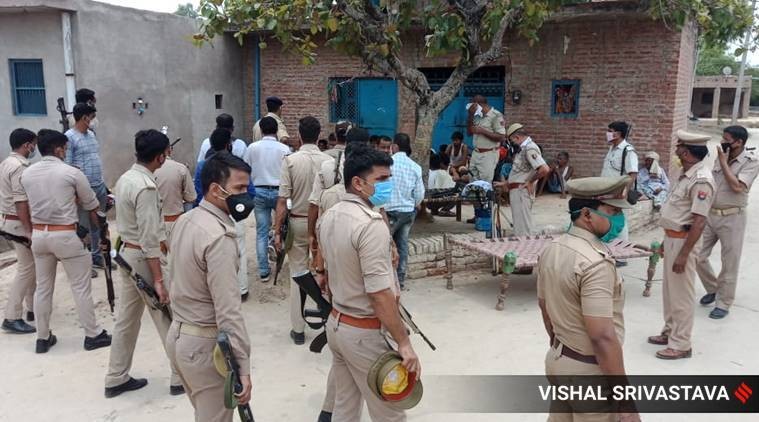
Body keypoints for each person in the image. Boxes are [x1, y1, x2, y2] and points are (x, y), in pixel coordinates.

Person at [318, 147, 420, 422]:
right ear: (358, 183)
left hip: (338, 323)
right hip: (364, 333)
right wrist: (403, 342)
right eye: (382, 179)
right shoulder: (370, 225)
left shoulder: (331, 215)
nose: (388, 185)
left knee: (345, 406)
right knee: (390, 413)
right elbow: (379, 294)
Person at [537, 176, 639, 422]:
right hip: (588, 376)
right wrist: (626, 402)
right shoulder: (595, 263)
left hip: (558, 361)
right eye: (613, 212)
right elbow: (602, 337)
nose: (619, 220)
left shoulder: (553, 248)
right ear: (587, 214)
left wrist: (562, 345)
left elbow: (544, 306)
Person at [166, 152, 253, 422]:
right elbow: (228, 310)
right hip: (205, 346)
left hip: (179, 336)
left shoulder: (185, 220)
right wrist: (243, 365)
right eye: (239, 188)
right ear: (216, 190)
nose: (246, 196)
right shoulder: (219, 237)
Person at [104, 129, 184, 398]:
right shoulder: (146, 187)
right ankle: (180, 376)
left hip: (128, 254)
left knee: (126, 320)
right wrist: (159, 279)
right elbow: (150, 237)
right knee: (166, 316)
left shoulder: (126, 178)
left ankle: (116, 376)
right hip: (143, 257)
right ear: (161, 156)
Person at [21, 129, 112, 353]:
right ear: (58, 149)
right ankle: (93, 334)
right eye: (65, 148)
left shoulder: (27, 174)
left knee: (43, 288)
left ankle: (42, 338)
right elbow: (93, 207)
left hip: (39, 235)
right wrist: (103, 234)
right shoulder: (71, 173)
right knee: (80, 287)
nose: (66, 151)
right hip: (65, 234)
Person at [647, 130, 715, 360]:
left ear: (686, 152)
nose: (675, 150)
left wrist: (684, 255)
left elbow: (699, 221)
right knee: (670, 292)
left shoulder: (701, 180)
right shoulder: (686, 174)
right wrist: (665, 243)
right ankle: (669, 332)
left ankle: (681, 344)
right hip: (673, 238)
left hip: (684, 242)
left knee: (682, 295)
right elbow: (677, 212)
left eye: (678, 147)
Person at [273, 116, 331, 345]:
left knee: (298, 274)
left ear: (298, 135)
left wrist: (277, 231)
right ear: (319, 135)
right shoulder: (329, 161)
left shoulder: (290, 161)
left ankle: (298, 329)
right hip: (323, 224)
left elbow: (282, 200)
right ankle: (329, 321)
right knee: (325, 271)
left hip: (297, 221)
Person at [697, 125, 759, 319]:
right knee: (697, 254)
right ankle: (713, 288)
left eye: (727, 140)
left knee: (729, 262)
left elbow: (737, 186)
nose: (722, 143)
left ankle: (723, 302)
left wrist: (723, 162)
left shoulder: (751, 161)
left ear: (739, 142)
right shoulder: (722, 156)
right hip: (710, 214)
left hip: (733, 217)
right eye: (722, 139)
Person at [197, 128, 255, 298]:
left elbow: (197, 192)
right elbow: (250, 192)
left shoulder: (202, 166)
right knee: (239, 250)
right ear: (229, 144)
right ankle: (241, 289)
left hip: (207, 213)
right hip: (234, 213)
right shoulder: (236, 168)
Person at [244, 116, 291, 283]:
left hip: (259, 191)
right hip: (280, 193)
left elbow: (245, 169)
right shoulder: (284, 149)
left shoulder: (252, 148)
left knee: (261, 232)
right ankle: (279, 258)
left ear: (261, 130)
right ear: (276, 130)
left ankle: (264, 271)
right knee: (282, 229)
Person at [65, 103, 109, 276]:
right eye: (91, 117)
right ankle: (84, 264)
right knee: (83, 228)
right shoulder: (69, 137)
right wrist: (75, 192)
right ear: (84, 118)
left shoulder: (91, 135)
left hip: (98, 186)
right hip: (83, 189)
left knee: (98, 225)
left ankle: (97, 257)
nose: (93, 120)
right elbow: (67, 166)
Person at [1, 128, 38, 334]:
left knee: (31, 266)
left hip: (10, 221)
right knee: (27, 269)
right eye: (33, 144)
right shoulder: (19, 167)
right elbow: (21, 201)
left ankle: (31, 308)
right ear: (26, 145)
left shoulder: (7, 163)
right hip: (18, 223)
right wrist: (28, 230)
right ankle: (12, 316)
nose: (34, 148)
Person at [495, 123, 549, 235]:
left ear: (517, 137)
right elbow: (521, 172)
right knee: (519, 224)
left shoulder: (529, 148)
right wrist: (506, 183)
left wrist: (530, 182)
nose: (512, 143)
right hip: (517, 191)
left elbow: (544, 169)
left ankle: (524, 245)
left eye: (512, 140)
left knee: (522, 227)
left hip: (521, 192)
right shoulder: (523, 149)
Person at [386, 133, 425, 289]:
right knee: (402, 245)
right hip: (407, 211)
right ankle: (400, 280)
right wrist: (415, 204)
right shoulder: (415, 167)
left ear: (394, 146)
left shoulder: (387, 164)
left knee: (385, 244)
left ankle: (386, 280)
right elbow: (419, 194)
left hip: (388, 211)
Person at [601, 121, 638, 242]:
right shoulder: (612, 149)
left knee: (618, 218)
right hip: (606, 190)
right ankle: (609, 244)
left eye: (610, 131)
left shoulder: (628, 151)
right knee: (607, 216)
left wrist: (624, 192)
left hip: (617, 191)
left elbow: (633, 173)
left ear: (618, 134)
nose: (607, 134)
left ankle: (623, 246)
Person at [155, 141, 197, 239]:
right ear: (169, 150)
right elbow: (191, 197)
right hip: (176, 224)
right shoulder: (180, 168)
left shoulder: (147, 170)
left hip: (154, 225)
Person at [467, 95, 505, 182]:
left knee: (485, 182)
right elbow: (469, 133)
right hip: (476, 153)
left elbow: (501, 137)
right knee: (472, 180)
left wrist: (483, 131)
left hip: (489, 154)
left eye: (472, 106)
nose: (471, 109)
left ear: (477, 105)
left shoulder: (496, 115)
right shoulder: (476, 116)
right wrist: (470, 116)